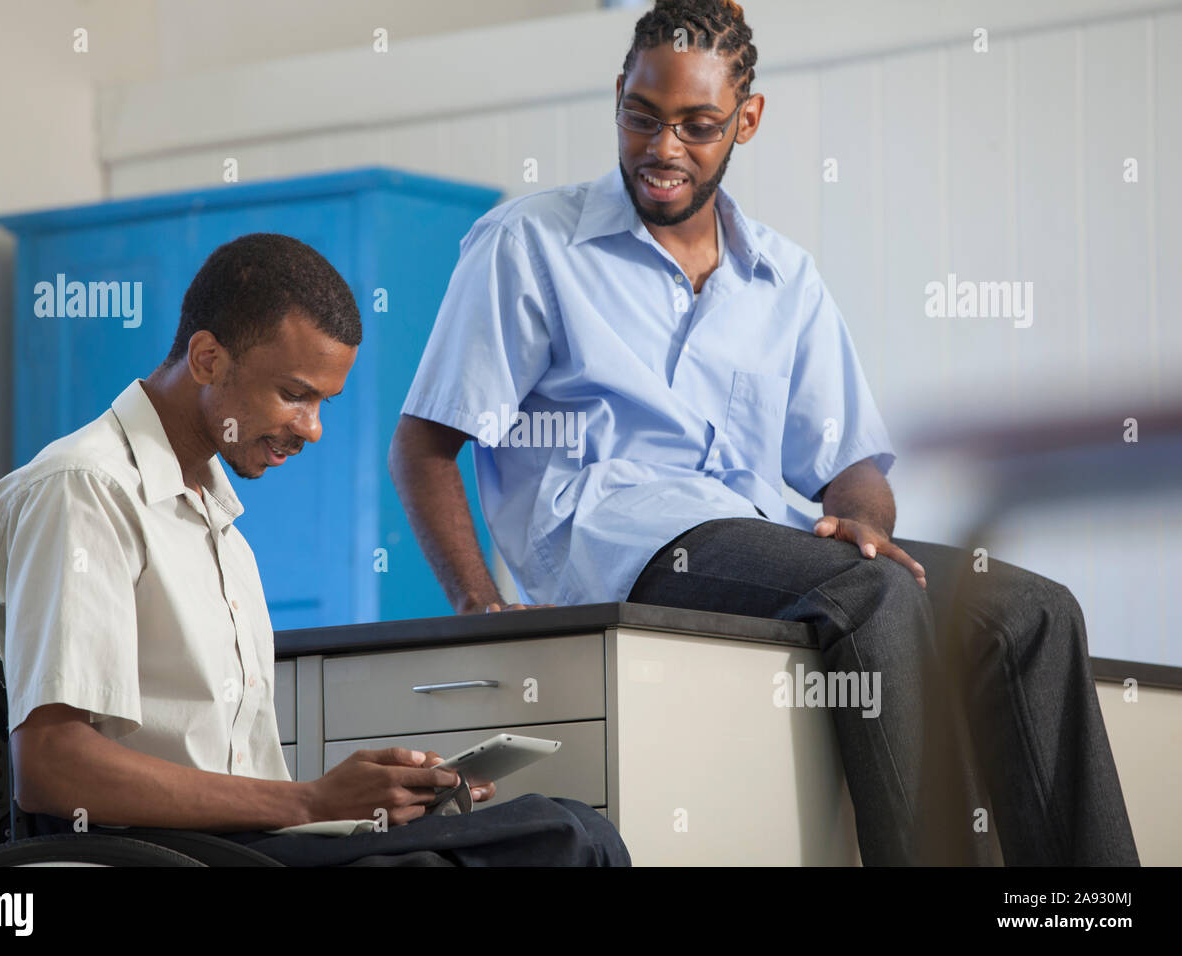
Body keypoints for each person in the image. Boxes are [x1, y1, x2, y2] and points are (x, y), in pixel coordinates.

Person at [388, 0, 1137, 865]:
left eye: (697, 126)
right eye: (642, 117)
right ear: (618, 98)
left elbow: (850, 464)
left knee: (1033, 612)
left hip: (759, 537)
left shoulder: (782, 276)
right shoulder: (529, 242)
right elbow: (425, 441)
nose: (662, 149)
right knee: (876, 594)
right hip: (620, 539)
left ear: (748, 119)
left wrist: (863, 519)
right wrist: (479, 606)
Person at [0, 232, 629, 867]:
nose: (313, 428)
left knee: (567, 828)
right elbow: (51, 767)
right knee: (560, 839)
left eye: (324, 402)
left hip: (251, 842)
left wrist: (362, 802)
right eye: (295, 395)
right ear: (209, 358)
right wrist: (314, 801)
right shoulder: (86, 488)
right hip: (161, 851)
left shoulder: (217, 522)